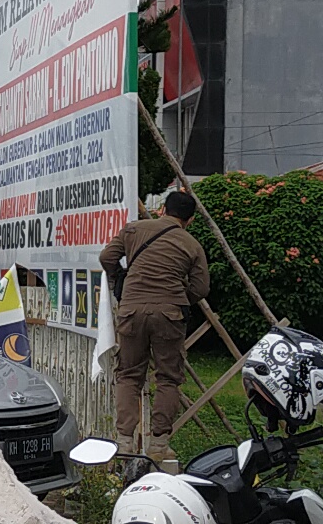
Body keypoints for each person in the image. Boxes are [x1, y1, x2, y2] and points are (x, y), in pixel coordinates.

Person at [99, 190, 210, 462]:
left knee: (128, 375)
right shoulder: (192, 244)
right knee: (168, 377)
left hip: (132, 310)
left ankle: (124, 441)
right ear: (190, 219)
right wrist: (178, 298)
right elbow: (201, 288)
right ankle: (158, 445)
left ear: (162, 209)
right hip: (169, 315)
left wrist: (121, 281)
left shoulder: (133, 230)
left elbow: (106, 258)